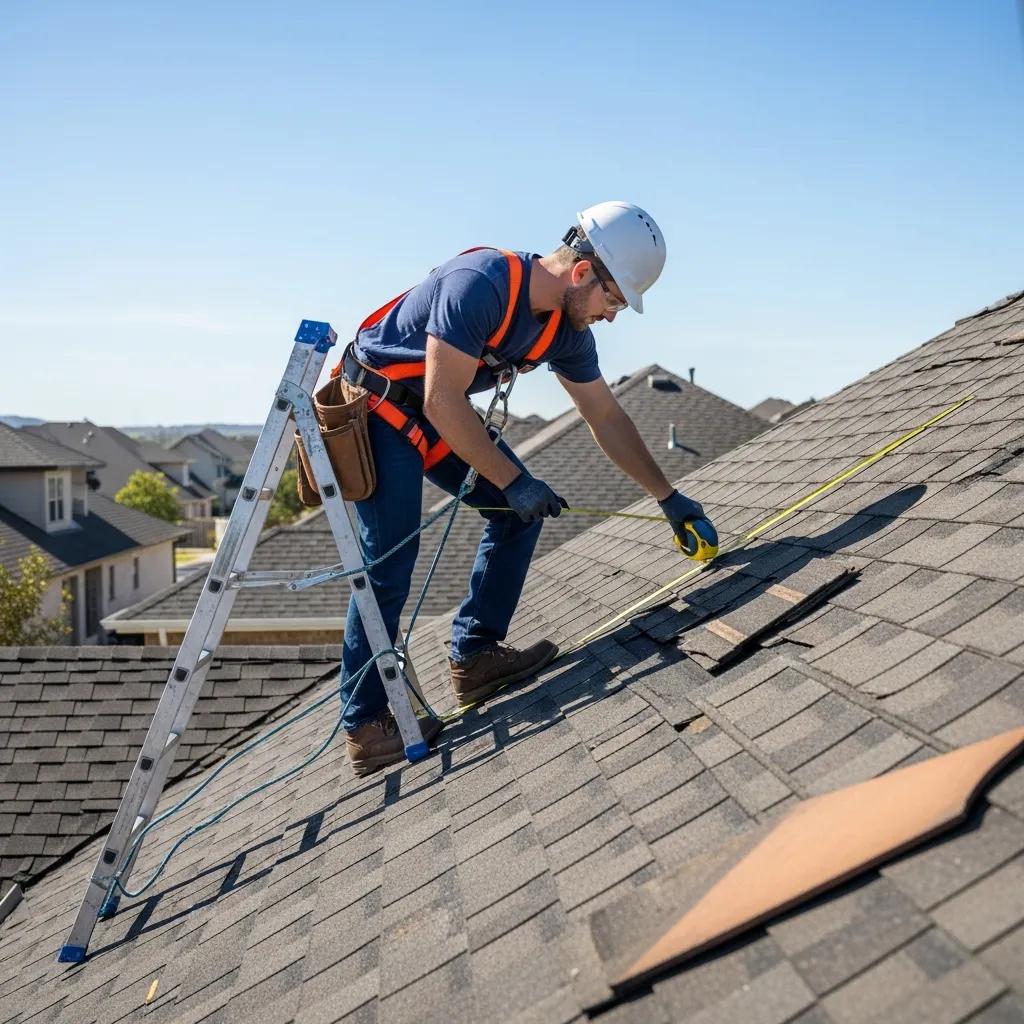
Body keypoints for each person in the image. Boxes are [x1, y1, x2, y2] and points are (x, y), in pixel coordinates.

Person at [336, 201, 717, 774]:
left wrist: (669, 498)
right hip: (381, 407)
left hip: (437, 414)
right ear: (583, 272)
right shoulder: (480, 284)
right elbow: (442, 400)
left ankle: (476, 656)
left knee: (517, 516)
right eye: (614, 300)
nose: (612, 316)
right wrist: (513, 480)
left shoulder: (565, 331)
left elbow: (606, 418)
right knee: (391, 558)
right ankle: (365, 725)